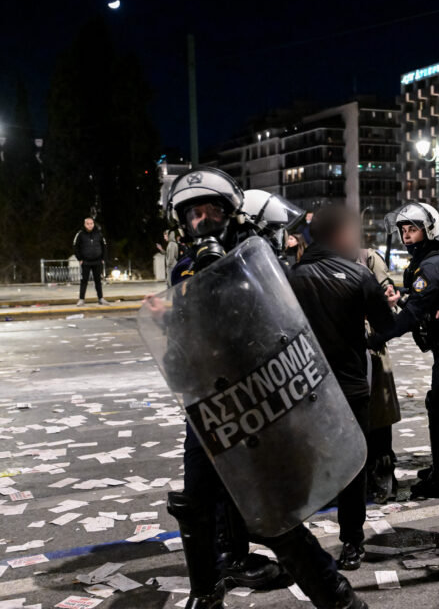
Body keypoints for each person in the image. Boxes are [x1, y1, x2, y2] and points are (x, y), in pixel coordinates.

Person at [158, 167, 368, 609]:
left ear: (232, 214)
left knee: (273, 515)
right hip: (208, 404)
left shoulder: (262, 264)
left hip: (259, 401)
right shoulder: (184, 269)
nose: (202, 222)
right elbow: (182, 345)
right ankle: (206, 592)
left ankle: (338, 598)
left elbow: (272, 329)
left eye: (211, 211)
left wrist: (229, 281)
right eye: (192, 214)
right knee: (194, 504)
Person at [288, 205, 396, 571]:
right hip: (350, 385)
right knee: (353, 467)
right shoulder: (358, 274)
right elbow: (386, 326)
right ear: (339, 235)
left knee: (307, 465)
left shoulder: (292, 276)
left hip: (306, 386)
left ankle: (299, 546)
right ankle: (352, 542)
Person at [370, 202, 439, 499]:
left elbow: (414, 314)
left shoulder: (431, 264)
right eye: (402, 230)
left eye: (412, 229)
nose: (406, 235)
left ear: (429, 229)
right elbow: (424, 302)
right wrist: (401, 297)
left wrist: (378, 336)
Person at [357, 246, 401, 504]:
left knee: (380, 414)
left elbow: (387, 293)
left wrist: (385, 303)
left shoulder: (367, 257)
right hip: (337, 346)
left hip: (370, 343)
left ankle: (383, 471)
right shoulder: (316, 263)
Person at [73, 217, 109, 306]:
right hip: (85, 261)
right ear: (85, 224)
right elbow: (75, 246)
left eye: (91, 223)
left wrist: (103, 259)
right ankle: (81, 299)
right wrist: (80, 259)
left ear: (93, 224)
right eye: (88, 224)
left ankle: (101, 299)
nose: (90, 225)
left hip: (97, 261)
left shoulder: (99, 233)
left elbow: (104, 246)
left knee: (98, 281)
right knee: (84, 281)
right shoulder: (80, 234)